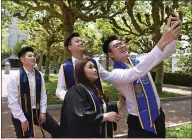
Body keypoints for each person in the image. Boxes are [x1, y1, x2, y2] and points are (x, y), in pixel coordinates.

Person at [101, 15, 182, 138]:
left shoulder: (140, 61)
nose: (122, 46)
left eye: (121, 43)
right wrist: (163, 40)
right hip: (139, 123)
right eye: (116, 46)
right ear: (110, 54)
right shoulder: (115, 74)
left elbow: (163, 53)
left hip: (158, 116)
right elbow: (136, 73)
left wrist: (174, 34)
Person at [60, 58, 125, 138]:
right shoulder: (75, 91)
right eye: (90, 67)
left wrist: (121, 101)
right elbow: (79, 116)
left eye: (94, 67)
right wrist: (105, 116)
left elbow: (103, 110)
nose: (95, 70)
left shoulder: (95, 90)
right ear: (81, 71)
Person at [7, 46, 61, 138]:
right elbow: (13, 102)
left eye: (34, 56)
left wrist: (43, 112)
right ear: (22, 59)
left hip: (37, 110)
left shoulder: (39, 75)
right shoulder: (15, 77)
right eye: (30, 56)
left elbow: (43, 94)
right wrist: (22, 120)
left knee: (58, 131)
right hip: (21, 113)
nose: (33, 58)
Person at [56, 32, 113, 101]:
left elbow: (107, 76)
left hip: (97, 103)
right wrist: (71, 98)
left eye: (81, 41)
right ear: (70, 47)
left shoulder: (94, 62)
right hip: (77, 108)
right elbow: (60, 89)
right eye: (77, 41)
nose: (81, 43)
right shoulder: (65, 67)